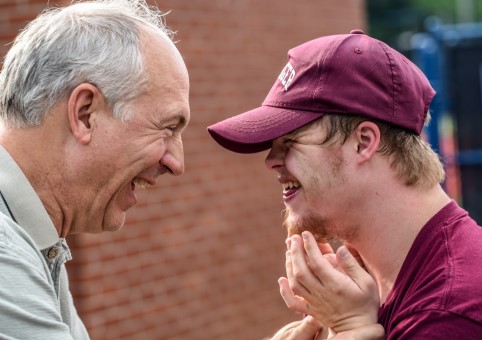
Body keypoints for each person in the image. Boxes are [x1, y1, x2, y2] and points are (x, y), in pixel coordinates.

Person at [208, 29, 482, 339]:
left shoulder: (448, 315)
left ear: (363, 143)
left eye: (291, 141)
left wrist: (351, 329)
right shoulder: (379, 284)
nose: (271, 160)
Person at [0, 0, 189, 338]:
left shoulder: (34, 237)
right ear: (85, 113)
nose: (176, 163)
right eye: (168, 128)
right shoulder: (5, 250)